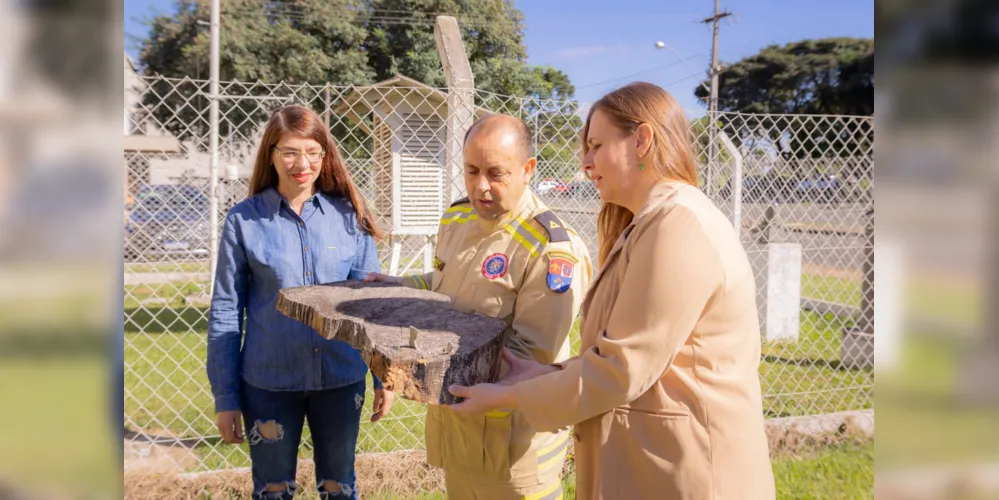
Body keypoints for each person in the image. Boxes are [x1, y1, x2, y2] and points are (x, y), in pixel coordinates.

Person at [447, 83, 777, 499]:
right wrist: (548, 374)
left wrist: (511, 395)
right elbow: (623, 353)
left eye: (596, 146)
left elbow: (621, 369)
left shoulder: (678, 225)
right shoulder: (655, 222)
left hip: (689, 473)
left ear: (641, 140)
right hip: (659, 463)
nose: (585, 163)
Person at [366, 114, 592, 500]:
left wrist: (415, 365)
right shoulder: (457, 218)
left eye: (495, 173)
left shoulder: (550, 248)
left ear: (527, 170)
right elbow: (445, 286)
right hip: (457, 429)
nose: (480, 186)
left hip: (512, 445)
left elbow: (528, 357)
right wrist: (402, 285)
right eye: (471, 171)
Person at [207, 105, 395, 500]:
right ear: (271, 154)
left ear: (325, 155)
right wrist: (226, 398)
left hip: (341, 379)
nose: (302, 163)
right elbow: (226, 310)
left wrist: (383, 375)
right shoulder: (244, 221)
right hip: (269, 382)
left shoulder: (349, 216)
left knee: (339, 487)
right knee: (273, 490)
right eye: (290, 151)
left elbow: (371, 305)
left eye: (313, 152)